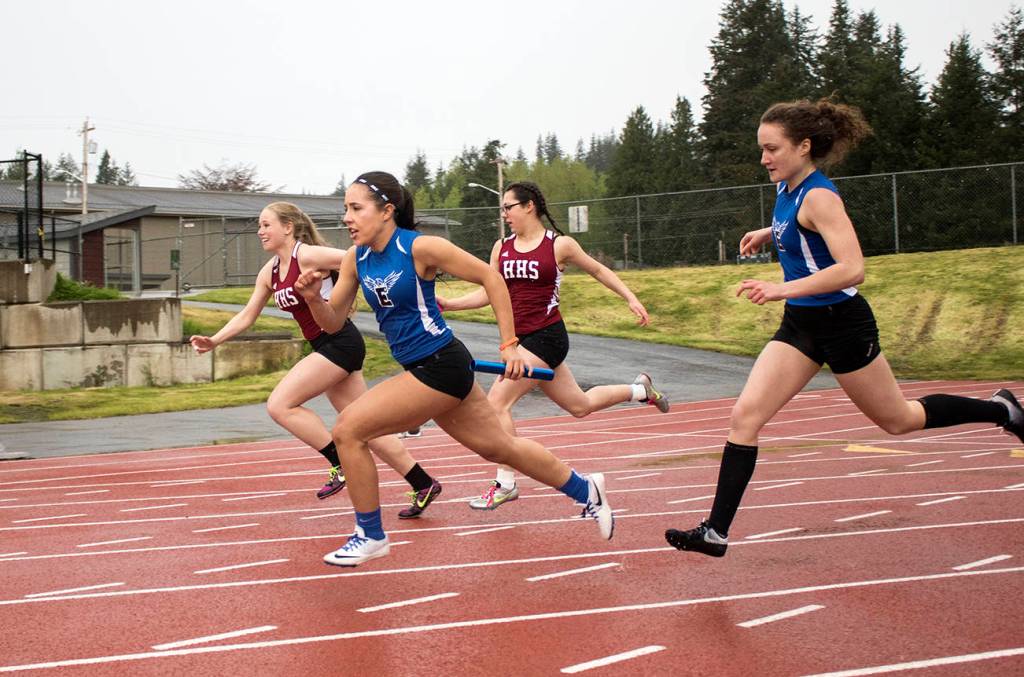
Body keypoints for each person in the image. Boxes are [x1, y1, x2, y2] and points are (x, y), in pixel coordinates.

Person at [665, 99, 1024, 558]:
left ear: (804, 146)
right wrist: (767, 234)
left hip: (844, 325)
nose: (764, 158)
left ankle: (1001, 410)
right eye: (762, 149)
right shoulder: (787, 188)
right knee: (745, 417)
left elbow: (853, 269)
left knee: (899, 420)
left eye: (771, 148)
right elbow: (799, 228)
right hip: (801, 325)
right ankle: (716, 531)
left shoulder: (820, 195)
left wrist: (781, 288)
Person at [294, 171, 614, 567]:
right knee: (499, 447)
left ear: (387, 211)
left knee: (348, 429)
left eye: (356, 208)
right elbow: (332, 321)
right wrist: (312, 298)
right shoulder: (354, 259)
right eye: (345, 209)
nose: (347, 218)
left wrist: (510, 344)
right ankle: (586, 489)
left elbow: (491, 278)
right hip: (430, 367)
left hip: (440, 364)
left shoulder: (420, 247)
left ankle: (370, 534)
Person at [189, 201, 442, 518]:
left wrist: (365, 289)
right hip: (325, 345)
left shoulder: (307, 255)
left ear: (288, 227)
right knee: (366, 427)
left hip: (340, 342)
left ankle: (340, 463)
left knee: (280, 404)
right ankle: (423, 482)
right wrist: (214, 340)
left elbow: (356, 258)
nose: (260, 231)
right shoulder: (269, 273)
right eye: (259, 225)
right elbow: (247, 315)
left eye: (266, 225)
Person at [437, 180, 669, 511]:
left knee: (497, 402)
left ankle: (506, 482)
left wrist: (630, 298)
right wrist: (451, 302)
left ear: (529, 206)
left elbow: (599, 270)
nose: (504, 215)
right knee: (580, 405)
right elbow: (491, 292)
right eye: (502, 209)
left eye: (508, 207)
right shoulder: (500, 247)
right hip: (520, 340)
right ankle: (640, 390)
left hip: (547, 338)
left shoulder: (559, 245)